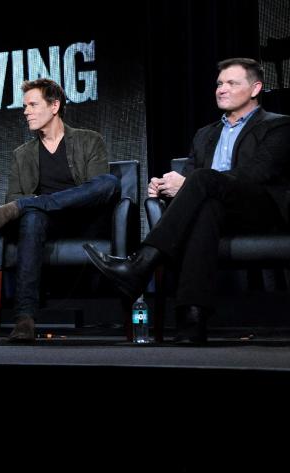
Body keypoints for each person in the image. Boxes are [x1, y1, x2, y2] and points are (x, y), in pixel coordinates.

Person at [85, 58, 290, 343]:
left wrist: (192, 181)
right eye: (219, 83)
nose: (222, 89)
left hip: (260, 210)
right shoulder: (205, 135)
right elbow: (194, 182)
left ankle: (141, 264)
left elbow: (258, 174)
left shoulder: (278, 126)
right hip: (218, 211)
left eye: (232, 83)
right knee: (206, 208)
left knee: (205, 182)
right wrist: (167, 186)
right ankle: (191, 321)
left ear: (255, 88)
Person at [0, 78, 120, 342]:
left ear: (55, 106)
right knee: (30, 215)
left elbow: (96, 192)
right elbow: (13, 198)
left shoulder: (90, 140)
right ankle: (24, 319)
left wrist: (26, 203)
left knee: (109, 182)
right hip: (46, 224)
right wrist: (29, 205)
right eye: (25, 106)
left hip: (84, 220)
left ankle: (32, 205)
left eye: (33, 105)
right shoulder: (22, 154)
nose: (26, 111)